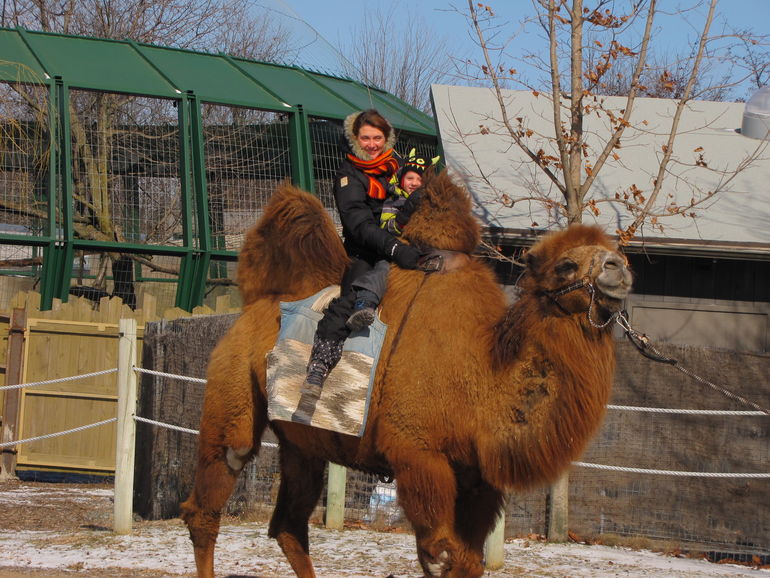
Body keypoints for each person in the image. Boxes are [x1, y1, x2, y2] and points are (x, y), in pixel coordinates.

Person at [293, 109, 423, 423]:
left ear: (387, 138)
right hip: (365, 251)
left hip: (407, 244)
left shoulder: (399, 167)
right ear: (354, 139)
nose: (372, 144)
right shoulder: (348, 175)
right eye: (365, 137)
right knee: (350, 297)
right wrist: (392, 247)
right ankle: (318, 371)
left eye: (377, 137)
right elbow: (357, 224)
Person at [345, 149, 439, 331]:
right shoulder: (394, 200)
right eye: (410, 178)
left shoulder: (431, 204)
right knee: (382, 269)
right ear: (401, 178)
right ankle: (365, 303)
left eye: (420, 180)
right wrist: (403, 216)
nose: (414, 183)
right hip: (397, 251)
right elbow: (387, 226)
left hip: (423, 252)